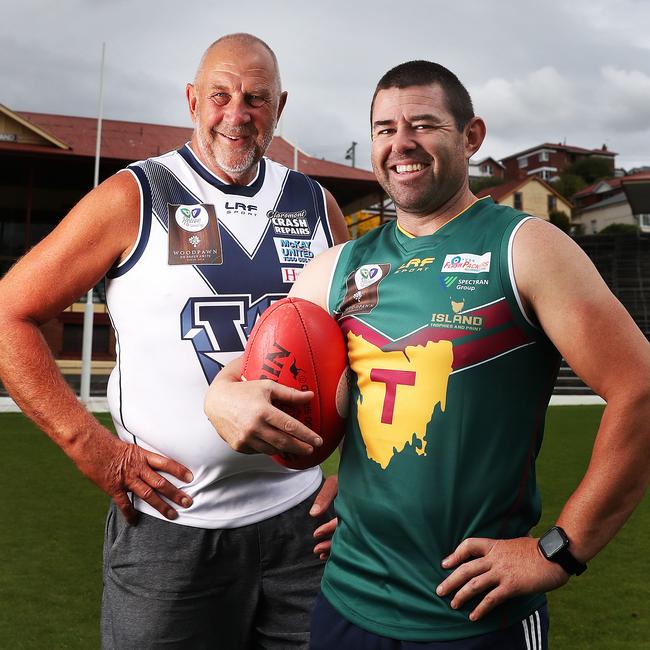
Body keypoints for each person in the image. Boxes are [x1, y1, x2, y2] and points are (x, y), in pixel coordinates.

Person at [205, 60, 650, 649]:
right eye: (384, 129)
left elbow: (640, 389)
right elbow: (246, 372)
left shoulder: (525, 249)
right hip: (345, 602)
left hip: (475, 614)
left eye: (422, 124)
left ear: (471, 136)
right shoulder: (338, 267)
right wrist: (221, 398)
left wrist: (561, 549)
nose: (400, 144)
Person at [0, 33, 348, 649]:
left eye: (256, 98)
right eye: (221, 95)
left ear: (281, 107)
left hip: (304, 531)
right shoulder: (135, 196)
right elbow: (8, 313)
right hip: (170, 529)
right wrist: (95, 450)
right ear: (192, 100)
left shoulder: (316, 205)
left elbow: (362, 348)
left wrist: (362, 478)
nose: (236, 115)